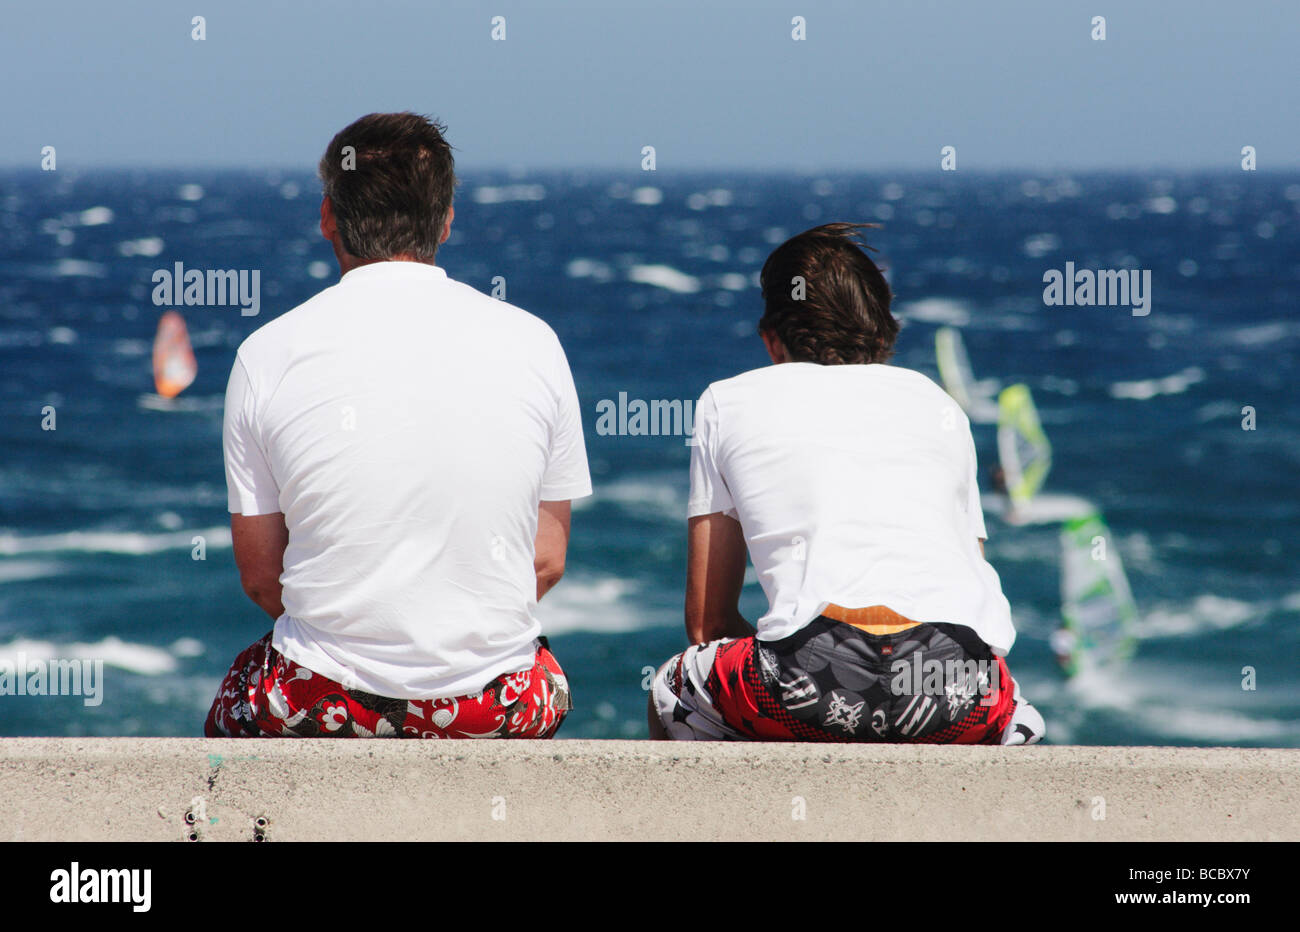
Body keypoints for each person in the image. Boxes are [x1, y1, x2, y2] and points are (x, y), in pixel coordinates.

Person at [205, 112, 591, 738]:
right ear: (445, 220)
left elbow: (260, 577)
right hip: (494, 706)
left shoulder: (265, 354)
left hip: (325, 701)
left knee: (237, 696)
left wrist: (366, 646)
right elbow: (546, 561)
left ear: (328, 216)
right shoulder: (535, 343)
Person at [649, 223, 1044, 744]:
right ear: (884, 335)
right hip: (962, 687)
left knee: (672, 685)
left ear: (772, 340)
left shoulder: (726, 401)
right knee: (1021, 720)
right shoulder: (940, 406)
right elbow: (968, 583)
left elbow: (707, 624)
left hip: (808, 682)